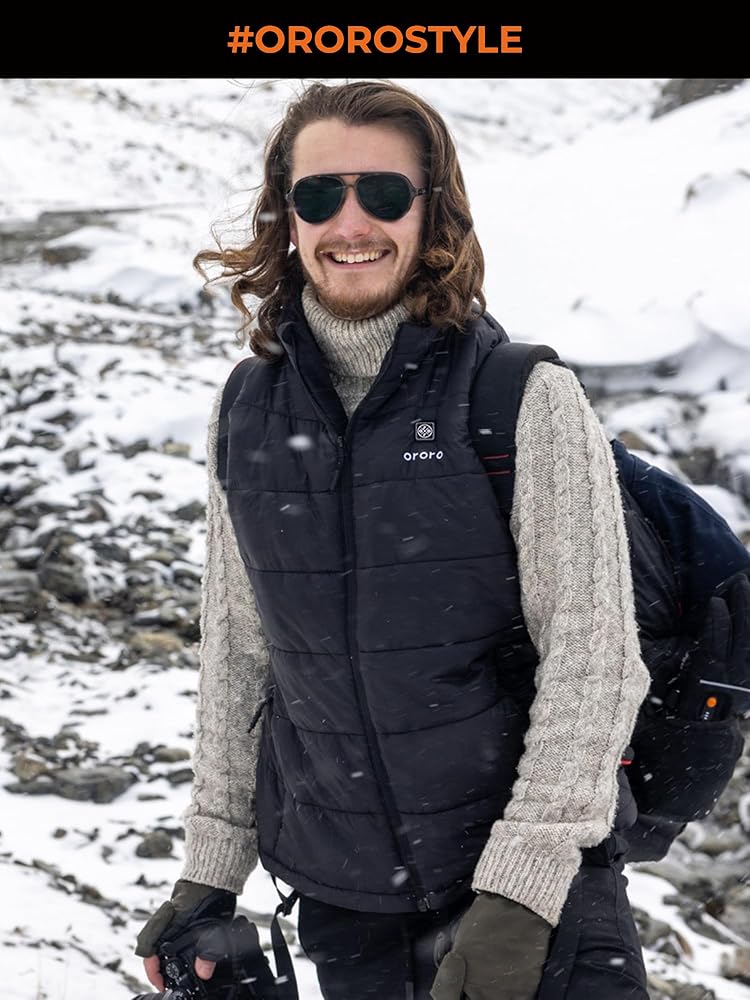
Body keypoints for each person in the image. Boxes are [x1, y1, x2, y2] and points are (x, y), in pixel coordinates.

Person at [135, 80, 653, 1000]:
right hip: (347, 904)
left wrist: (523, 890)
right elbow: (241, 656)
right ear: (285, 215)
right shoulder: (247, 410)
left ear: (432, 210)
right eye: (318, 195)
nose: (350, 223)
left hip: (529, 902)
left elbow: (594, 657)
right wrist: (211, 865)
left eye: (383, 193)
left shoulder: (520, 397)